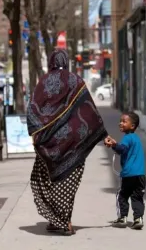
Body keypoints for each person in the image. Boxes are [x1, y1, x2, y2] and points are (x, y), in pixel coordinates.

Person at [27, 48, 108, 236]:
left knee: (45, 181)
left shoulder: (43, 82)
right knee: (67, 184)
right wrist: (102, 134)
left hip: (49, 145)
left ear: (51, 61)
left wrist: (36, 135)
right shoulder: (76, 81)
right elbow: (89, 110)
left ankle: (62, 221)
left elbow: (32, 111)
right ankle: (61, 220)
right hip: (73, 143)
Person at [104, 111, 146, 230]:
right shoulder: (135, 138)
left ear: (132, 126)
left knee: (122, 196)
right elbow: (123, 149)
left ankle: (122, 218)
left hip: (129, 175)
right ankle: (138, 219)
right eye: (120, 121)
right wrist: (114, 144)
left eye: (124, 121)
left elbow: (122, 149)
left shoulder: (127, 138)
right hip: (140, 175)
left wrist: (113, 145)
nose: (120, 123)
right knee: (137, 197)